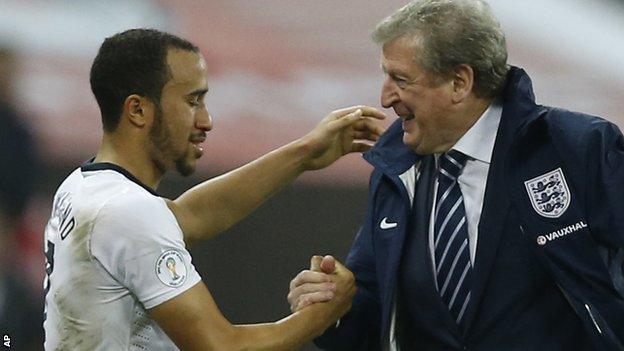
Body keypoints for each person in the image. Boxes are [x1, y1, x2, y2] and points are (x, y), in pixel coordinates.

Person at [287, 0, 624, 350]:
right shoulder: (395, 173)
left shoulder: (576, 147)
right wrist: (333, 307)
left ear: (459, 82)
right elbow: (373, 315)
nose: (385, 97)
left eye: (400, 79)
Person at [42, 28, 388, 350]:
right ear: (138, 109)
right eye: (193, 101)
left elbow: (189, 215)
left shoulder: (84, 187)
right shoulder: (129, 212)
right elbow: (221, 345)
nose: (206, 120)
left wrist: (303, 154)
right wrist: (327, 311)